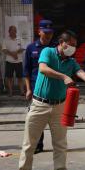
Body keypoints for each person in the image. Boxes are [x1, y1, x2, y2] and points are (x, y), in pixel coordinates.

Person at [12, 30, 85, 170]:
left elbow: (84, 75)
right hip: (39, 104)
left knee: (60, 142)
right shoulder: (48, 52)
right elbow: (43, 69)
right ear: (61, 42)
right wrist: (64, 76)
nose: (72, 48)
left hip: (60, 105)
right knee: (30, 142)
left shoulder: (71, 62)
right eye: (70, 44)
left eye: (75, 45)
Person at [24, 19, 56, 154]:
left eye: (50, 33)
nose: (48, 35)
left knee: (54, 118)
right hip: (36, 88)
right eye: (45, 32)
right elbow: (26, 70)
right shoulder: (31, 48)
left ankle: (58, 145)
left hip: (52, 87)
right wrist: (28, 89)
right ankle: (38, 144)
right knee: (36, 119)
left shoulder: (55, 48)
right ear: (39, 32)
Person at [2, 25, 25, 97]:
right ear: (9, 31)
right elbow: (4, 50)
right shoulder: (5, 40)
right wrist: (12, 54)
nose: (14, 32)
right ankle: (10, 92)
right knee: (9, 77)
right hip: (9, 61)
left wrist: (16, 53)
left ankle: (22, 91)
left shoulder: (20, 39)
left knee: (20, 77)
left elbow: (23, 48)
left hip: (19, 61)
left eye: (15, 30)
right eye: (12, 30)